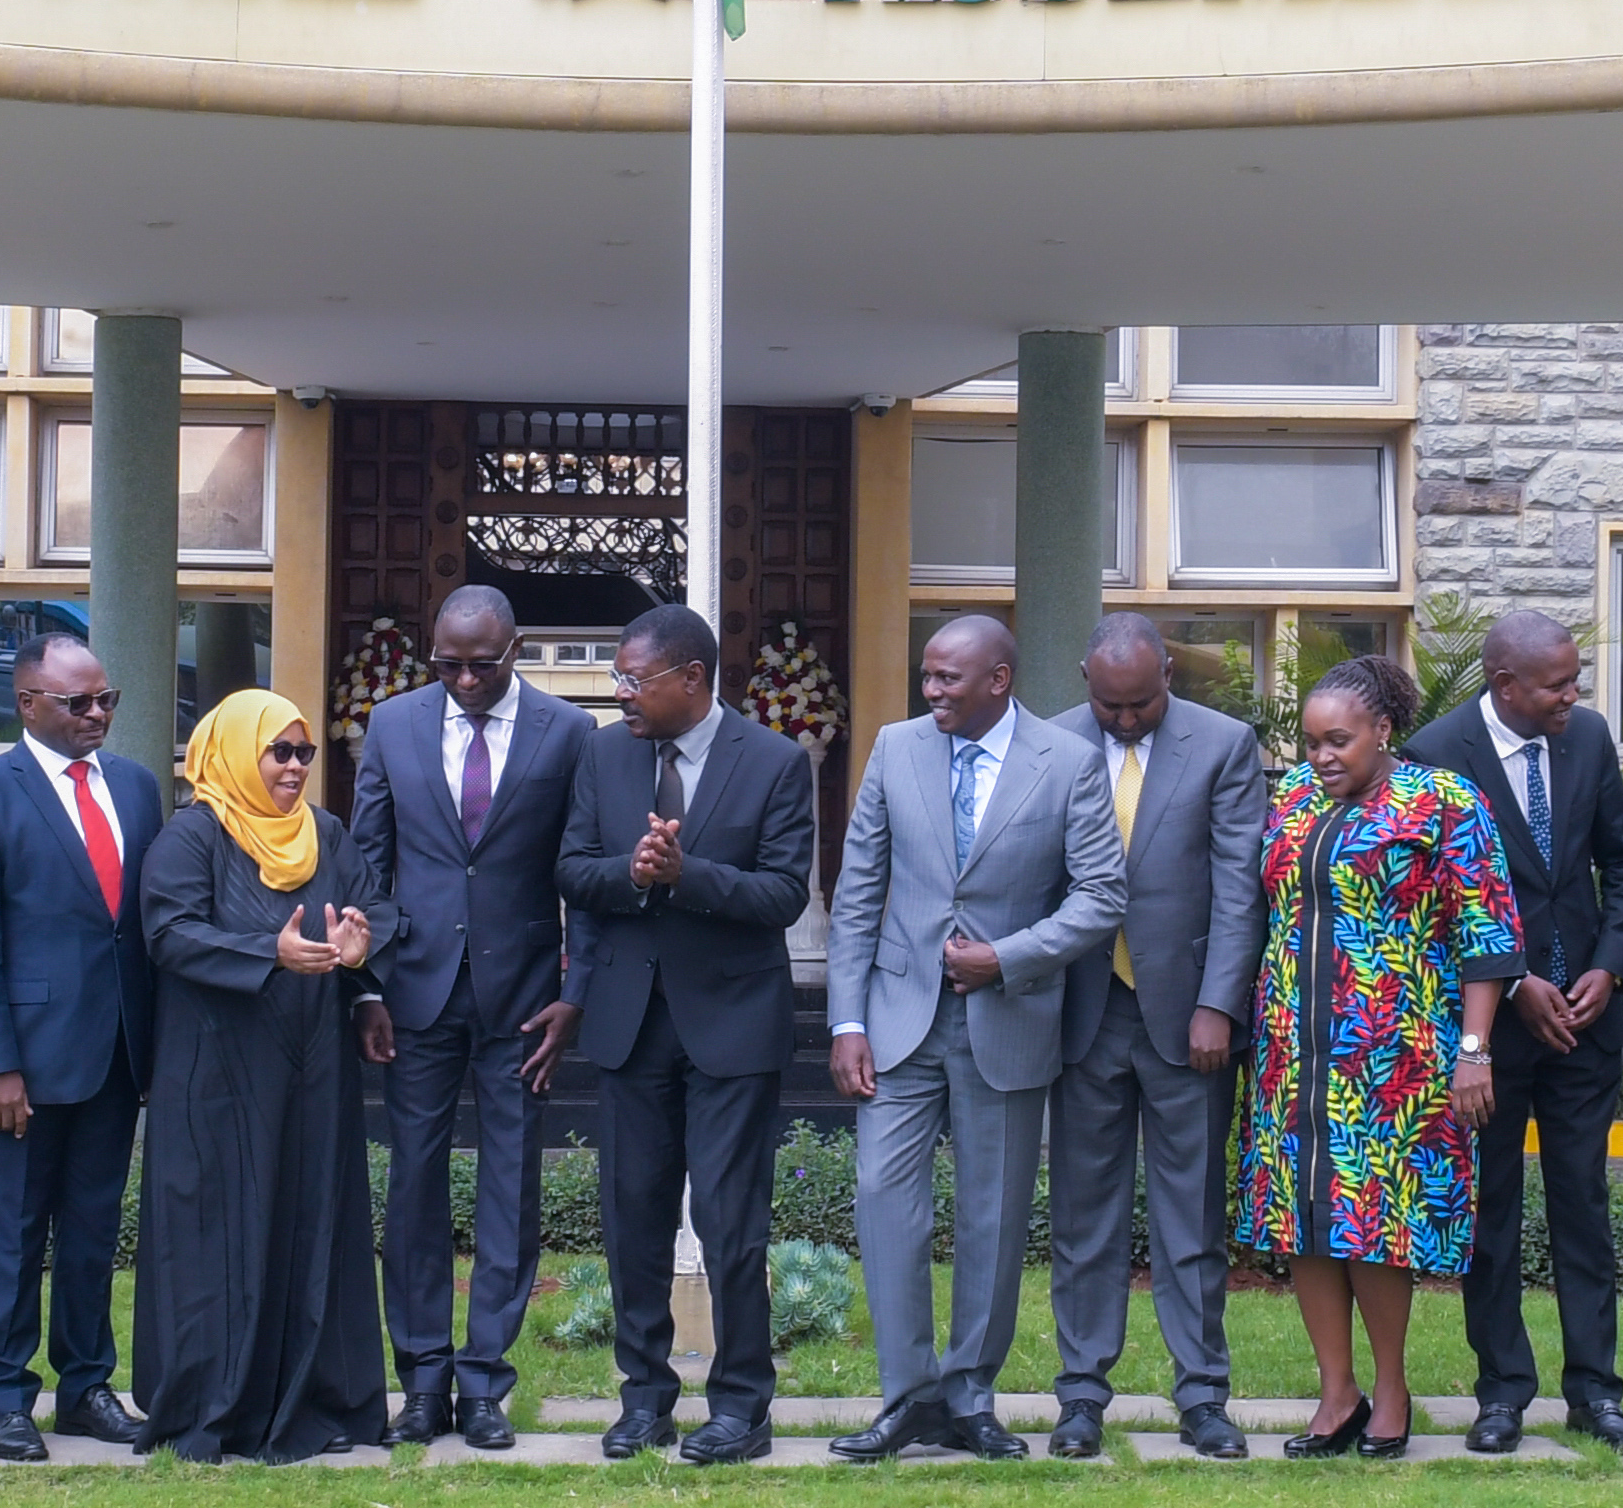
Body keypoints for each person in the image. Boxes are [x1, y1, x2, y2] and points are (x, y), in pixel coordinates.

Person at [829, 616, 1126, 1462]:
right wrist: (847, 1020)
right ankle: (907, 1397)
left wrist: (1007, 957)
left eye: (947, 679)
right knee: (885, 1199)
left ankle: (968, 1398)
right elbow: (858, 892)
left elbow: (1102, 895)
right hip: (898, 1019)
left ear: (999, 679)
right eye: (926, 677)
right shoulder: (895, 749)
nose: (930, 691)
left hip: (1010, 1017)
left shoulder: (1067, 762)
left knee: (992, 1215)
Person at [1233, 652, 1521, 1459]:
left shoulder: (1443, 801)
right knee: (1304, 1218)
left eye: (1340, 741)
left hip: (1395, 1058)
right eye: (1312, 742)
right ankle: (1337, 1394)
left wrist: (1474, 1051)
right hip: (1294, 1053)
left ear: (1383, 730)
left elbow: (1489, 932)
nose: (1322, 756)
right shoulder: (1294, 798)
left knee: (1375, 1221)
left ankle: (1391, 1389)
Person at [556, 605, 820, 1463]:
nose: (620, 693)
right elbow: (571, 868)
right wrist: (633, 875)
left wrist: (687, 874)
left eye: (635, 679)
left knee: (729, 1221)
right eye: (618, 679)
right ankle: (645, 1401)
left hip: (732, 1026)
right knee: (633, 1216)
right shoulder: (603, 755)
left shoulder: (775, 761)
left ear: (692, 678)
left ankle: (741, 1408)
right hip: (631, 1024)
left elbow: (783, 893)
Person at [1406, 610, 1623, 1454]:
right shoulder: (1436, 754)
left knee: (1583, 1205)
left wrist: (1608, 968)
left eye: (1575, 680)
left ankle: (1596, 1394)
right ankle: (1503, 1393)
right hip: (1493, 1037)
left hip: (1584, 1025)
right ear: (1505, 685)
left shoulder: (1588, 738)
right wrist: (1512, 984)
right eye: (1557, 685)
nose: (1573, 695)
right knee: (1493, 1213)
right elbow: (1434, 904)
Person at [350, 585, 583, 1449]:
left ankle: (485, 1381)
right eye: (448, 664)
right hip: (415, 993)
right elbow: (367, 862)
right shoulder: (392, 724)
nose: (466, 680)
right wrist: (366, 987)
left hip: (525, 998)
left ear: (515, 649)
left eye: (482, 664)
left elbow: (584, 864)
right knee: (413, 1182)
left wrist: (576, 992)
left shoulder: (568, 731)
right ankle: (421, 1379)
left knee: (511, 1185)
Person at [136, 691, 394, 1461]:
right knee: (220, 1231)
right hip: (217, 1069)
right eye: (278, 751)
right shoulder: (194, 835)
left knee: (313, 1220)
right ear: (233, 753)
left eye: (304, 753)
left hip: (312, 1063)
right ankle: (215, 1408)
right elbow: (169, 932)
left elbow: (372, 909)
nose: (294, 767)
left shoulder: (325, 833)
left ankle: (315, 1402)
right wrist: (267, 953)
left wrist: (360, 954)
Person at [1042, 618, 1266, 1460]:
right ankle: (1080, 1397)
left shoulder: (1224, 745)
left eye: (1141, 702)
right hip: (1083, 1014)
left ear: (1168, 673)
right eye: (1111, 705)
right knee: (1083, 1219)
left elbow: (1240, 886)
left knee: (1192, 1217)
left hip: (1187, 1017)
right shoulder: (1050, 742)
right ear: (1085, 679)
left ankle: (1203, 1397)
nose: (1127, 719)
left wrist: (1220, 1004)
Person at [0, 630, 162, 1461]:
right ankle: (4, 1398)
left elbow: (135, 927)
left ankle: (86, 1387)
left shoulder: (136, 788)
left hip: (115, 1053)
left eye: (107, 699)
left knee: (94, 1232)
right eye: (79, 702)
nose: (98, 713)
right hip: (21, 1063)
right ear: (28, 704)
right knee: (14, 1235)